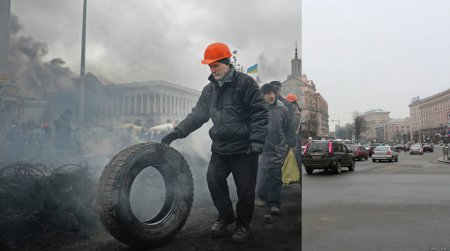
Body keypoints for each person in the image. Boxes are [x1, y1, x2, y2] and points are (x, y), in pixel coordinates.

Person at [161, 42, 268, 243]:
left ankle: (243, 225)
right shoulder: (209, 91)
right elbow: (197, 116)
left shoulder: (246, 83)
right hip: (220, 148)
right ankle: (226, 215)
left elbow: (259, 113)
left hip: (244, 148)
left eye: (216, 65)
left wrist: (256, 140)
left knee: (245, 189)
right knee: (213, 179)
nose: (212, 70)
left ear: (228, 63)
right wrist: (176, 132)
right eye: (210, 66)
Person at [255, 84, 295, 216]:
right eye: (268, 94)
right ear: (263, 95)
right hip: (261, 149)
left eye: (273, 93)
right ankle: (262, 197)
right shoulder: (258, 109)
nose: (271, 96)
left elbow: (289, 127)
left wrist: (291, 142)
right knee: (261, 176)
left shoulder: (282, 110)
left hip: (277, 148)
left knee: (275, 177)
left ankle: (274, 204)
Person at [286, 93, 303, 170]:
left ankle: (292, 174)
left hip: (293, 138)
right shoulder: (296, 110)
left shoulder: (294, 112)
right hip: (295, 137)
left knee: (293, 158)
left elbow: (293, 129)